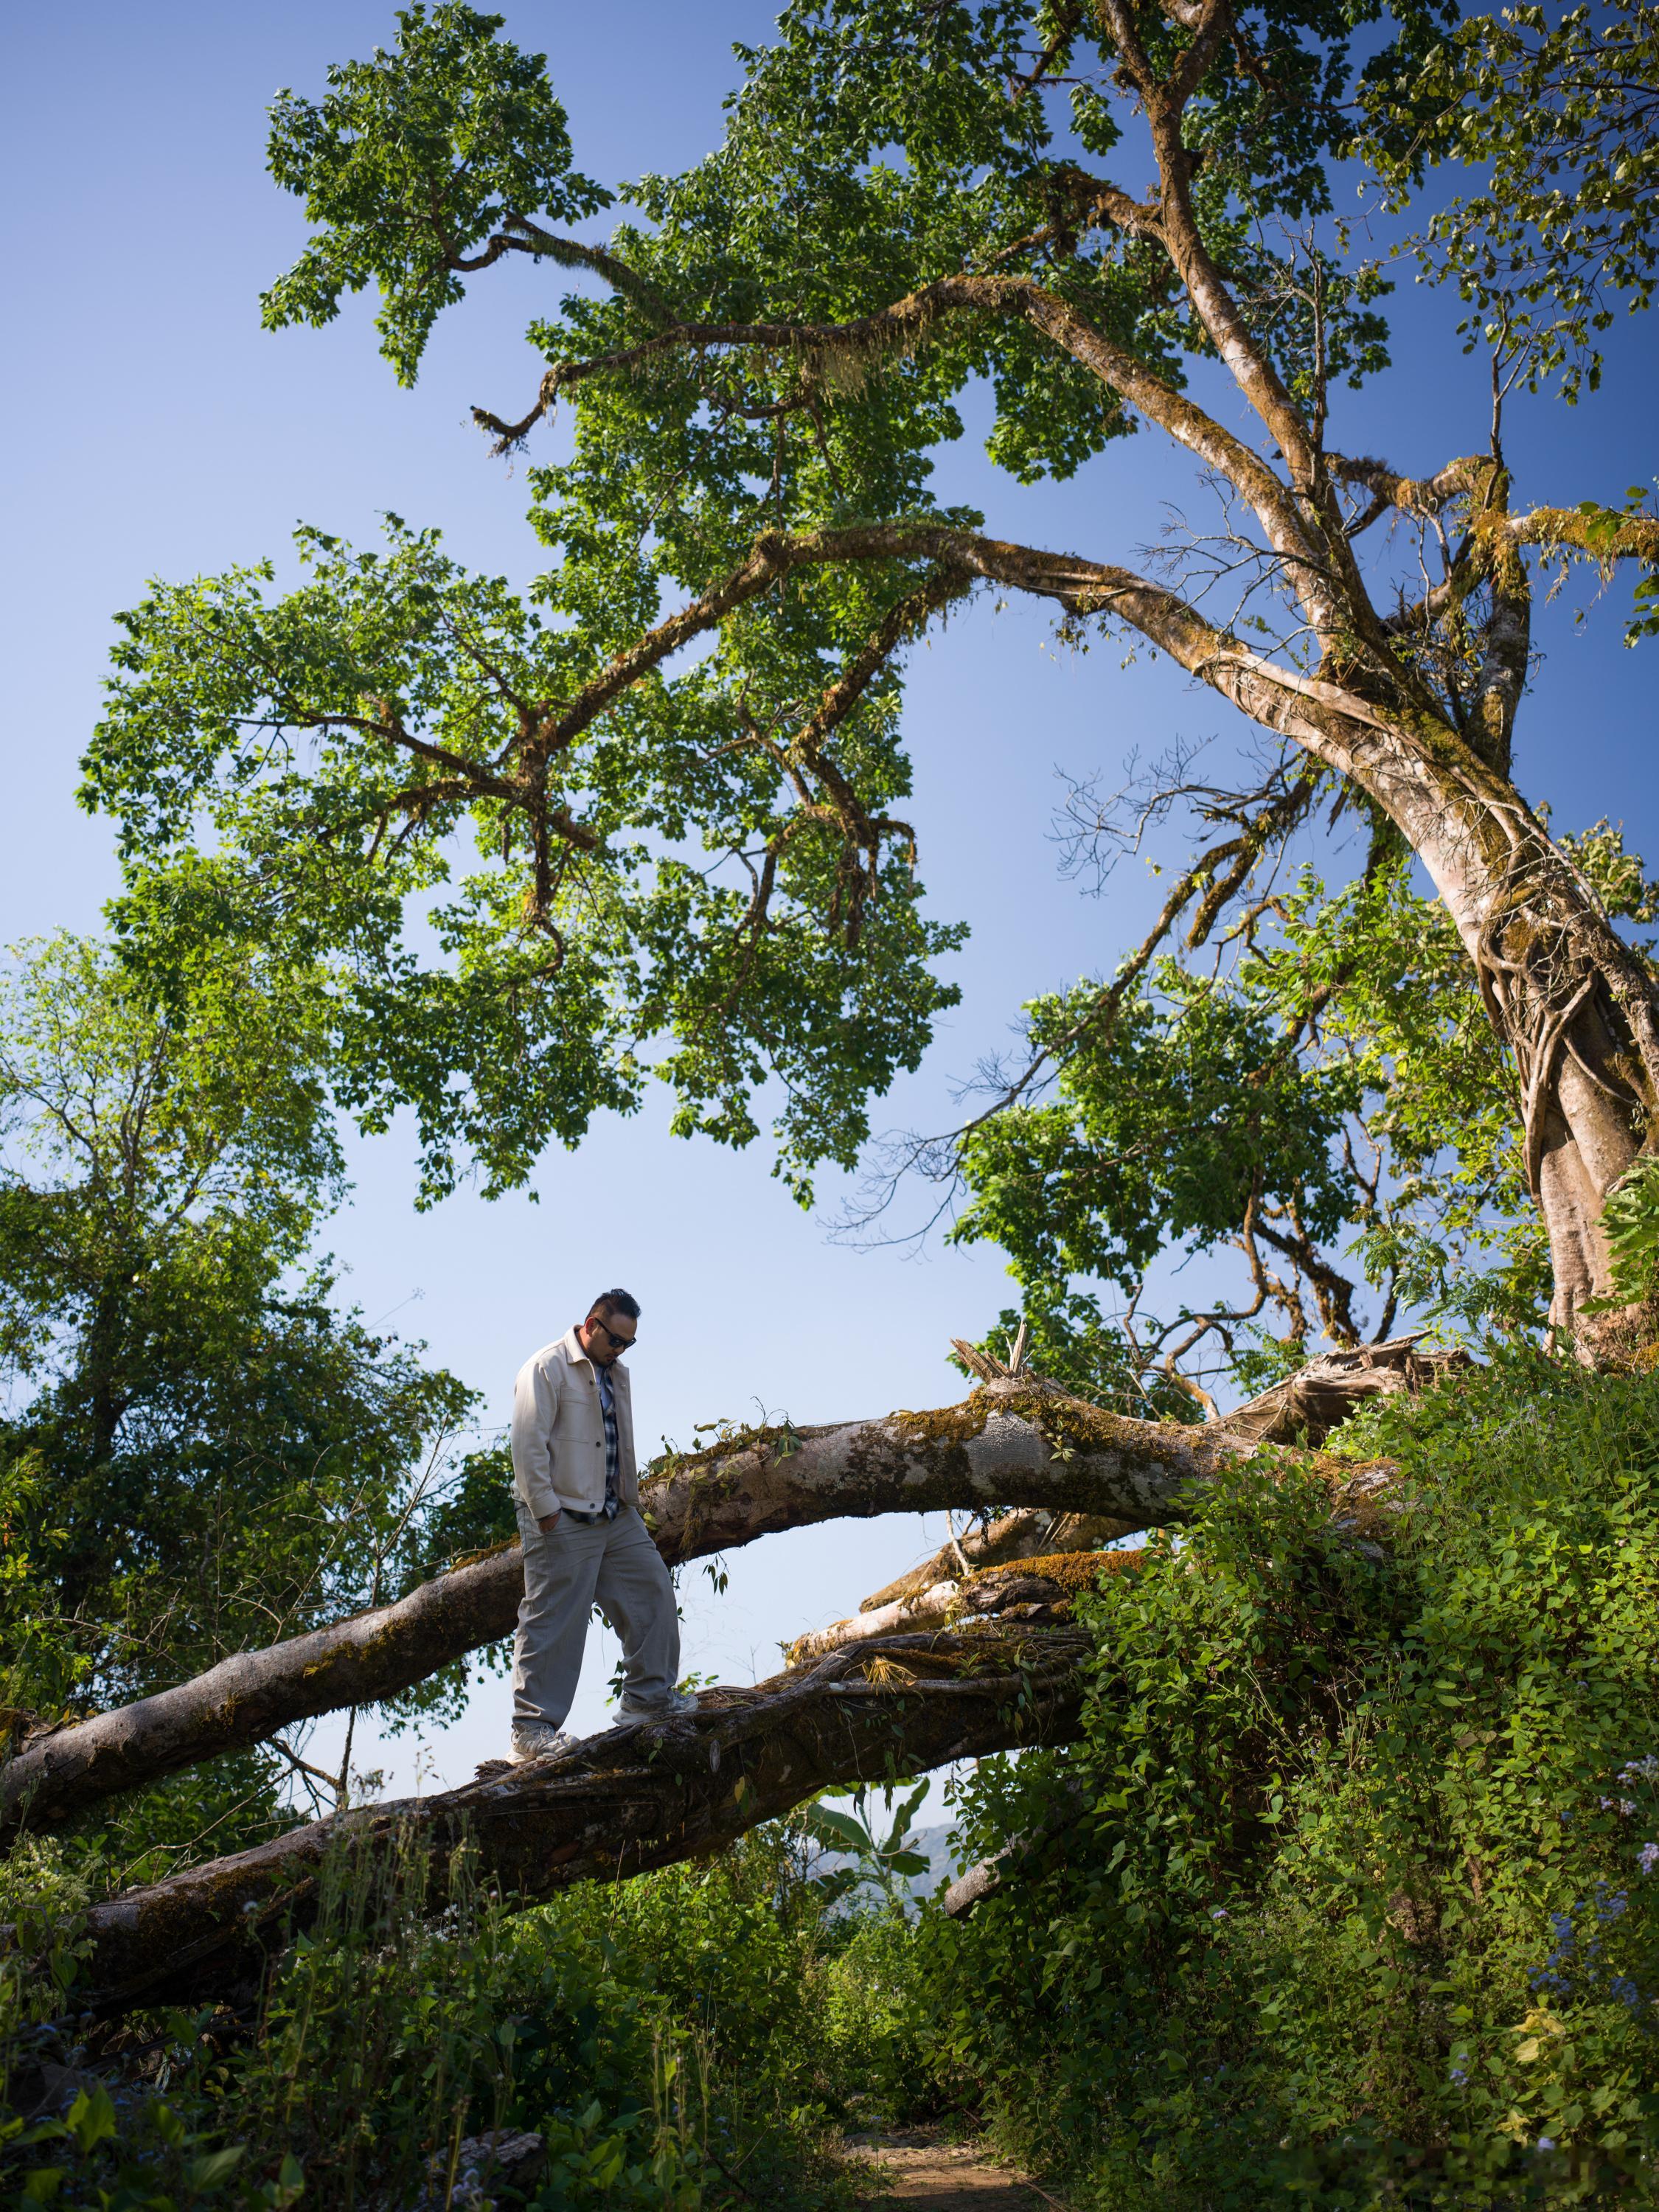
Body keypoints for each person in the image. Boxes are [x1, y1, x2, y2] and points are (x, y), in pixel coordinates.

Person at [507, 1288, 696, 1762]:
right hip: (561, 1514)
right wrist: (546, 1511)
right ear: (591, 1325)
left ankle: (648, 1701)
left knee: (653, 1592)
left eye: (629, 1344)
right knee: (555, 1619)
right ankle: (531, 1731)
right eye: (615, 1340)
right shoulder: (546, 1367)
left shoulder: (612, 1371)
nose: (620, 1350)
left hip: (615, 1513)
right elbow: (527, 1446)